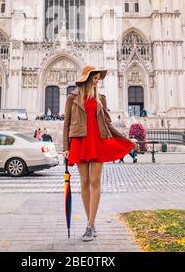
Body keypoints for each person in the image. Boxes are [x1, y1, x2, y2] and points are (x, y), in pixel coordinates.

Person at [63, 65, 136, 242]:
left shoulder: (101, 99)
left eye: (98, 78)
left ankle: (90, 224)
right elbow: (67, 123)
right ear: (87, 78)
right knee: (85, 182)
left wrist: (126, 139)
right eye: (95, 78)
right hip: (79, 141)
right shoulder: (72, 98)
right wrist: (65, 147)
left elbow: (108, 123)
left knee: (95, 182)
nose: (98, 81)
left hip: (97, 141)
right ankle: (91, 223)